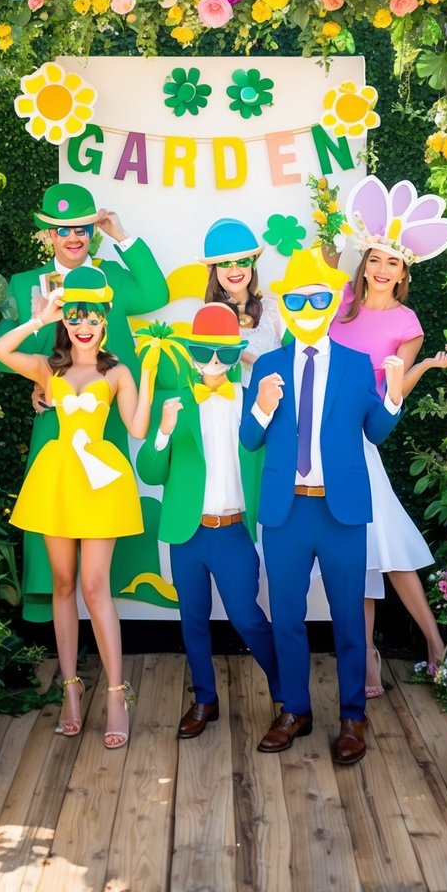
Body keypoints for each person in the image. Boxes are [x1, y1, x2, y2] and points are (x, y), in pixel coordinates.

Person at [240, 247, 404, 766]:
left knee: (348, 620)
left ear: (333, 301)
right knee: (286, 616)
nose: (308, 306)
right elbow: (248, 440)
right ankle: (295, 709)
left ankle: (353, 715)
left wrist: (395, 395)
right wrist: (262, 409)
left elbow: (374, 431)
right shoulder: (267, 365)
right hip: (286, 513)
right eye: (297, 299)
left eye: (318, 297)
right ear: (286, 305)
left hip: (341, 514)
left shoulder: (358, 367)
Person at [0, 265, 159, 746]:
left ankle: (115, 692)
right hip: (60, 476)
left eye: (92, 317)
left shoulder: (117, 372)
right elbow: (0, 351)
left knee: (93, 585)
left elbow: (138, 430)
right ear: (67, 322)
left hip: (100, 480)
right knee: (63, 582)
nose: (83, 326)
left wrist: (146, 376)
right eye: (75, 317)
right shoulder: (49, 367)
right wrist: (39, 319)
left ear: (105, 320)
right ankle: (70, 689)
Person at [0, 183, 168, 622]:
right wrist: (40, 378)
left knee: (102, 522)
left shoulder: (115, 277)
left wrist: (122, 234)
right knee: (54, 529)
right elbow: (0, 355)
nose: (74, 238)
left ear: (94, 231)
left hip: (106, 417)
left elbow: (156, 294)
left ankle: (105, 614)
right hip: (54, 422)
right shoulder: (23, 284)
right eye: (64, 230)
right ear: (48, 234)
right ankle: (61, 631)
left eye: (84, 229)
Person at [329, 175, 447, 696]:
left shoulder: (408, 323)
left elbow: (395, 389)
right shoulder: (339, 302)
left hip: (360, 438)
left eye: (393, 263)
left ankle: (434, 643)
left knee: (387, 548)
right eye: (375, 260)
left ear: (404, 272)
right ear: (363, 263)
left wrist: (426, 363)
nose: (381, 270)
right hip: (322, 433)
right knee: (358, 554)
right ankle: (367, 661)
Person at [136, 303, 280, 739]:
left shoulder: (253, 402)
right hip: (188, 533)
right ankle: (204, 699)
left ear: (238, 353)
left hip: (234, 530)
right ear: (191, 351)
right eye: (204, 351)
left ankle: (284, 692)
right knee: (192, 618)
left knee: (247, 617)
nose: (214, 362)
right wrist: (162, 430)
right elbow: (150, 472)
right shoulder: (174, 401)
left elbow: (269, 457)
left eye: (224, 353)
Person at [201, 219, 282, 389]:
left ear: (252, 264)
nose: (235, 271)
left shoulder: (272, 309)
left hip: (279, 404)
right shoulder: (208, 318)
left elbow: (294, 356)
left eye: (243, 261)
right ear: (212, 269)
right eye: (225, 263)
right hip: (234, 409)